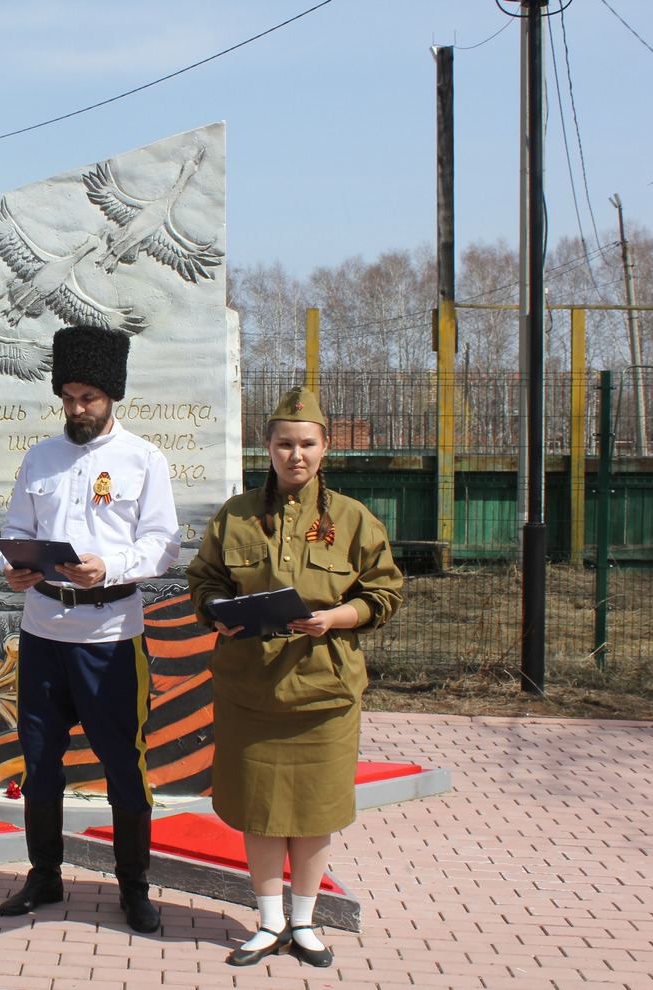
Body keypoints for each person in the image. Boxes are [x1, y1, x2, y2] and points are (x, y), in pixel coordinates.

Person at [185, 386, 402, 967]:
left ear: (326, 447)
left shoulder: (354, 520)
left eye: (307, 444)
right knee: (258, 809)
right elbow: (203, 580)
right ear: (268, 447)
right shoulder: (234, 517)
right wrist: (216, 614)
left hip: (322, 695)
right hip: (250, 691)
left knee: (314, 811)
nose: (295, 455)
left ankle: (304, 922)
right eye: (285, 443)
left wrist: (336, 617)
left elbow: (384, 593)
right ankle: (268, 921)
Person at [0, 325, 182, 934]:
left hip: (110, 638)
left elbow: (163, 544)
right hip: (43, 632)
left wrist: (112, 566)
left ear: (112, 395)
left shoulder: (143, 459)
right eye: (69, 396)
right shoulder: (41, 457)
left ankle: (134, 887)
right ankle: (44, 875)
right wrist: (13, 568)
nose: (77, 409)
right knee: (40, 758)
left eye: (89, 398)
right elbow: (16, 530)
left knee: (123, 764)